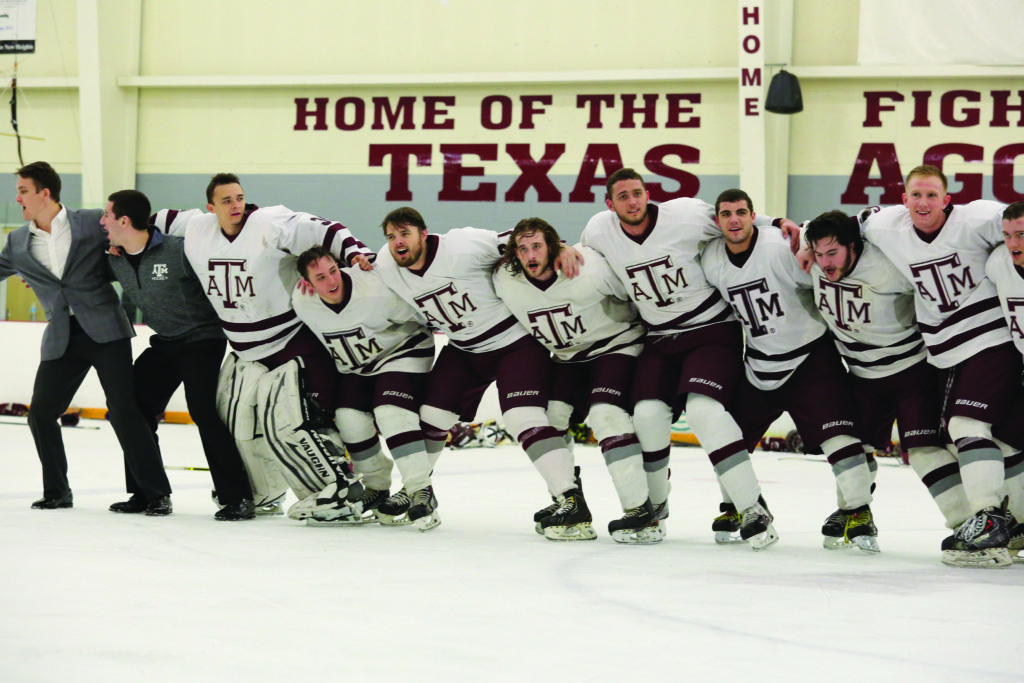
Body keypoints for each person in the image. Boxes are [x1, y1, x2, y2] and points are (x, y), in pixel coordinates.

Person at [580, 169, 784, 549]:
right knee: (646, 415)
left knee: (705, 412)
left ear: (647, 194)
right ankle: (654, 509)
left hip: (711, 330)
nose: (632, 201)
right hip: (658, 338)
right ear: (610, 205)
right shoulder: (597, 230)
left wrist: (778, 221)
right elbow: (586, 263)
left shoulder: (685, 215)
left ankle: (753, 508)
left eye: (637, 193)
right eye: (623, 196)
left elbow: (736, 220)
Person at [153, 173, 374, 523]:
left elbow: (325, 229)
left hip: (291, 346)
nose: (236, 205)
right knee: (235, 423)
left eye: (239, 197)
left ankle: (339, 490)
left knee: (290, 423)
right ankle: (262, 491)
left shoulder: (271, 223)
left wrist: (355, 251)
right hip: (243, 351)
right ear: (211, 207)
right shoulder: (197, 226)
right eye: (226, 200)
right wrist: (117, 241)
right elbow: (149, 220)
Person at [375, 206, 589, 540]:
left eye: (405, 233)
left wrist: (560, 246)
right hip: (463, 348)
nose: (397, 242)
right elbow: (361, 274)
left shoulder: (462, 244)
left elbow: (521, 240)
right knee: (430, 415)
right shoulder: (386, 263)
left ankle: (570, 499)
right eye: (391, 236)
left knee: (523, 417)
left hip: (514, 343)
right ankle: (419, 490)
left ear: (423, 232)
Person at [856, 165, 1018, 567]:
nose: (923, 202)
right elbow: (848, 224)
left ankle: (988, 520)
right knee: (970, 441)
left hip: (989, 342)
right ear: (904, 198)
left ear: (947, 200)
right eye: (916, 195)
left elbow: (1016, 222)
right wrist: (803, 237)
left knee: (968, 426)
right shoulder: (887, 226)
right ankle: (1011, 526)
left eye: (932, 195)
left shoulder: (976, 218)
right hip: (944, 356)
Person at [702, 189, 877, 552]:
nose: (734, 220)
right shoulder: (710, 259)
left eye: (741, 212)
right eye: (726, 214)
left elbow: (827, 273)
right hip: (760, 363)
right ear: (716, 220)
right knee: (729, 436)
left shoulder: (781, 246)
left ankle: (859, 511)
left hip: (811, 357)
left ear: (753, 215)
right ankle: (740, 504)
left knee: (840, 437)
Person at [0, 162, 171, 513]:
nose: (16, 197)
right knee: (41, 413)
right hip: (62, 335)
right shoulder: (17, 242)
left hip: (106, 330)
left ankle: (155, 494)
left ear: (44, 193)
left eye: (22, 190)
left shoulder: (92, 221)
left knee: (124, 411)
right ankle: (58, 492)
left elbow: (130, 238)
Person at [805, 210, 973, 544]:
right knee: (852, 447)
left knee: (924, 453)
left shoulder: (889, 266)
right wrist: (794, 236)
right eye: (819, 254)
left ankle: (967, 525)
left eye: (833, 253)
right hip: (861, 376)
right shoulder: (809, 259)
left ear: (853, 247)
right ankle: (852, 509)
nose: (825, 263)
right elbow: (779, 230)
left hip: (912, 375)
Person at [493, 217, 660, 543]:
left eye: (537, 246)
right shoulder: (504, 278)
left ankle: (640, 510)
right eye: (523, 248)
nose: (530, 255)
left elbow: (636, 294)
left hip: (616, 346)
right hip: (569, 359)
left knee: (605, 415)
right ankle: (568, 501)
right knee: (550, 420)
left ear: (554, 246)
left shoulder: (589, 266)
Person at [103, 189, 254, 521]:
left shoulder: (178, 250)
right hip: (166, 343)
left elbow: (222, 273)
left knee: (202, 410)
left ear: (124, 221)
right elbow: (82, 279)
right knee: (130, 407)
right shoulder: (114, 258)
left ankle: (238, 497)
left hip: (202, 340)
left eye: (107, 216)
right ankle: (148, 493)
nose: (102, 222)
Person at [292, 246, 438, 529]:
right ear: (307, 283)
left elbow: (423, 316)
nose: (331, 281)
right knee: (349, 418)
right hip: (359, 366)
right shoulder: (302, 300)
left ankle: (421, 489)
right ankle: (376, 486)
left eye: (333, 270)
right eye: (320, 278)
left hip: (403, 352)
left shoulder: (372, 288)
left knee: (390, 411)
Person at [984, 200, 1024, 561]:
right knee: (1006, 438)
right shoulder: (998, 263)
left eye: (1022, 234)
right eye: (1008, 234)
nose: (1014, 243)